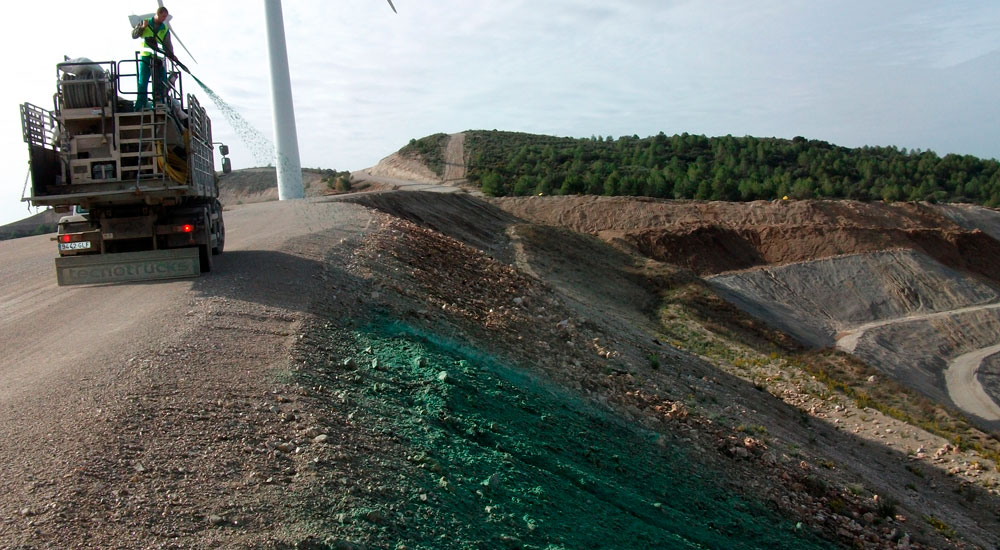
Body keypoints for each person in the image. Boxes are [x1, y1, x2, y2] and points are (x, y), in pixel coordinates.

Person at [131, 6, 176, 111]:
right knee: (143, 81)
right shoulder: (145, 23)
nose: (165, 19)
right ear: (158, 14)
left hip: (158, 59)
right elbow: (134, 35)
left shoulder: (164, 29)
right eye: (163, 16)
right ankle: (140, 105)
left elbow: (168, 45)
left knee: (161, 81)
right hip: (146, 57)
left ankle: (160, 102)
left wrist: (172, 56)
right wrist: (142, 27)